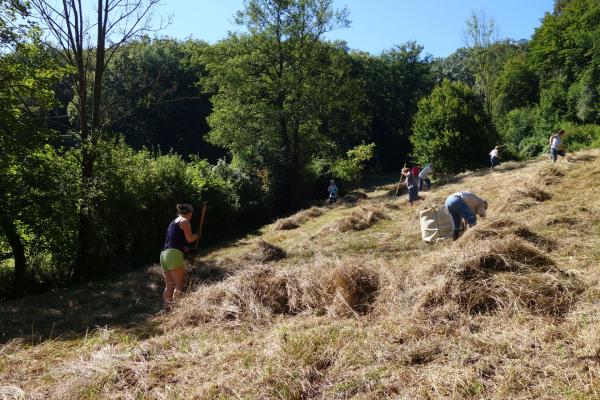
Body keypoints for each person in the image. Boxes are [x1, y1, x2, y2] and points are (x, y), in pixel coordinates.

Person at [160, 204, 200, 311]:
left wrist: (189, 250)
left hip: (164, 255)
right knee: (179, 284)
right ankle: (178, 310)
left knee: (169, 285)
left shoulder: (173, 222)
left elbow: (175, 242)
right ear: (189, 212)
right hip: (173, 255)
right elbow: (190, 239)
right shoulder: (185, 221)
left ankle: (167, 308)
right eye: (192, 213)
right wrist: (197, 235)